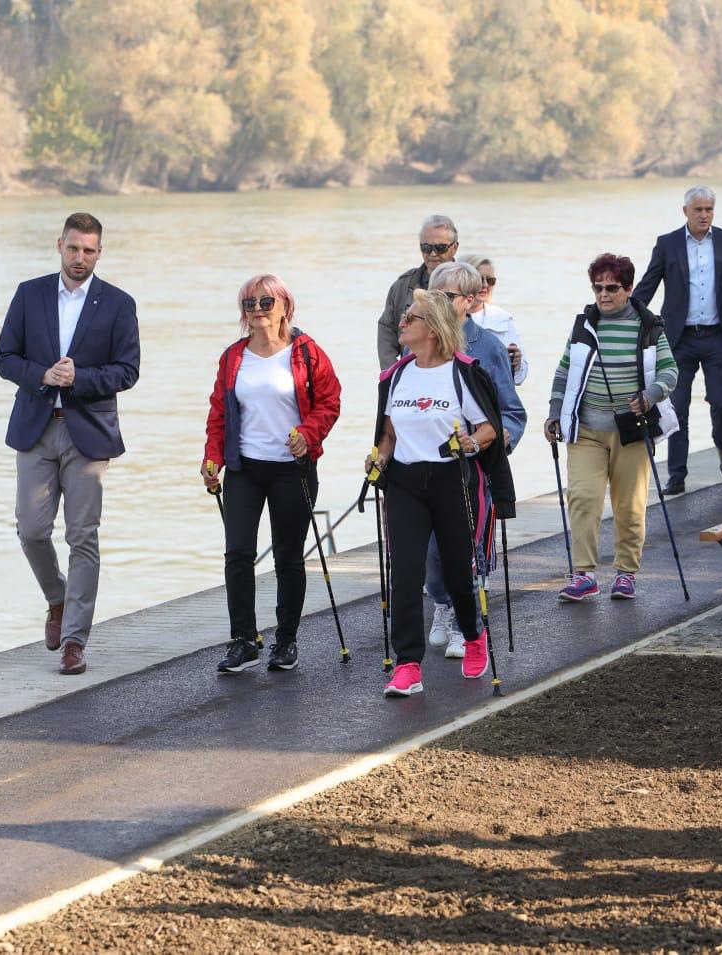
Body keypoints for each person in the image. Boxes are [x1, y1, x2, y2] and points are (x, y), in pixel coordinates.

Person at [0, 212, 141, 676]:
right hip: (35, 428)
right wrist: (41, 374)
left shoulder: (118, 303)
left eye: (89, 251)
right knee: (31, 530)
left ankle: (76, 639)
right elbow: (4, 357)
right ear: (60, 245)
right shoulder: (29, 294)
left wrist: (80, 378)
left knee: (83, 536)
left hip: (88, 434)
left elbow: (128, 371)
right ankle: (57, 599)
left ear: (100, 252)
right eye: (74, 248)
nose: (80, 258)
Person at [368, 289, 515, 697]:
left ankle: (472, 635)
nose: (401, 323)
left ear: (431, 330)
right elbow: (389, 434)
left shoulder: (461, 373)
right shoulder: (396, 374)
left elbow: (487, 427)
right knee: (407, 574)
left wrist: (471, 443)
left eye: (410, 318)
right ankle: (409, 665)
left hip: (452, 482)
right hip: (405, 485)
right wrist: (378, 459)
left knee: (455, 573)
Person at [201, 275, 342, 673]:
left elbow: (329, 402)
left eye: (266, 302)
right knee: (238, 554)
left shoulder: (307, 352)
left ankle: (286, 641)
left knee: (287, 556)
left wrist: (308, 434)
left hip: (292, 469)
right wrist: (213, 458)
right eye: (250, 304)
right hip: (244, 468)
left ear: (285, 306)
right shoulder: (233, 357)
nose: (258, 310)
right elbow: (219, 413)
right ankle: (244, 640)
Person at [545, 253, 679, 600]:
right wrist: (554, 412)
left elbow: (670, 371)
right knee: (583, 498)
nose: (603, 294)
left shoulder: (648, 325)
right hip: (586, 428)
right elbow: (563, 371)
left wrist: (650, 396)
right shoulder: (583, 325)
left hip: (631, 430)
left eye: (612, 288)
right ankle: (584, 574)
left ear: (628, 288)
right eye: (598, 287)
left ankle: (626, 573)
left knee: (629, 505)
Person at [421, 262, 525, 656]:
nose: (439, 305)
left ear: (470, 301)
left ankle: (470, 627)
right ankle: (443, 606)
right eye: (434, 296)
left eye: (447, 298)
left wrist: (487, 445)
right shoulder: (419, 344)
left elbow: (511, 413)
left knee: (464, 551)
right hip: (426, 469)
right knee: (431, 555)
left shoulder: (488, 347)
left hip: (473, 470)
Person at [635, 185, 722, 493]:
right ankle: (677, 475)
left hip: (717, 336)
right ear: (685, 211)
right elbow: (648, 285)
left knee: (721, 402)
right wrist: (627, 314)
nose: (704, 215)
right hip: (679, 339)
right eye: (698, 209)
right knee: (678, 407)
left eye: (709, 209)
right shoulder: (667, 244)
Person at [376, 214, 458, 370]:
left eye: (440, 248)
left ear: (455, 247)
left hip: (453, 374)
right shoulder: (402, 286)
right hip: (411, 374)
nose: (433, 254)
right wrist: (391, 373)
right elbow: (386, 330)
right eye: (426, 248)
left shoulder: (470, 286)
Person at [459, 253, 528, 385]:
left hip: (491, 399)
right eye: (479, 279)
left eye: (490, 280)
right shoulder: (446, 318)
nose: (485, 285)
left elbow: (520, 378)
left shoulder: (503, 319)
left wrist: (516, 363)